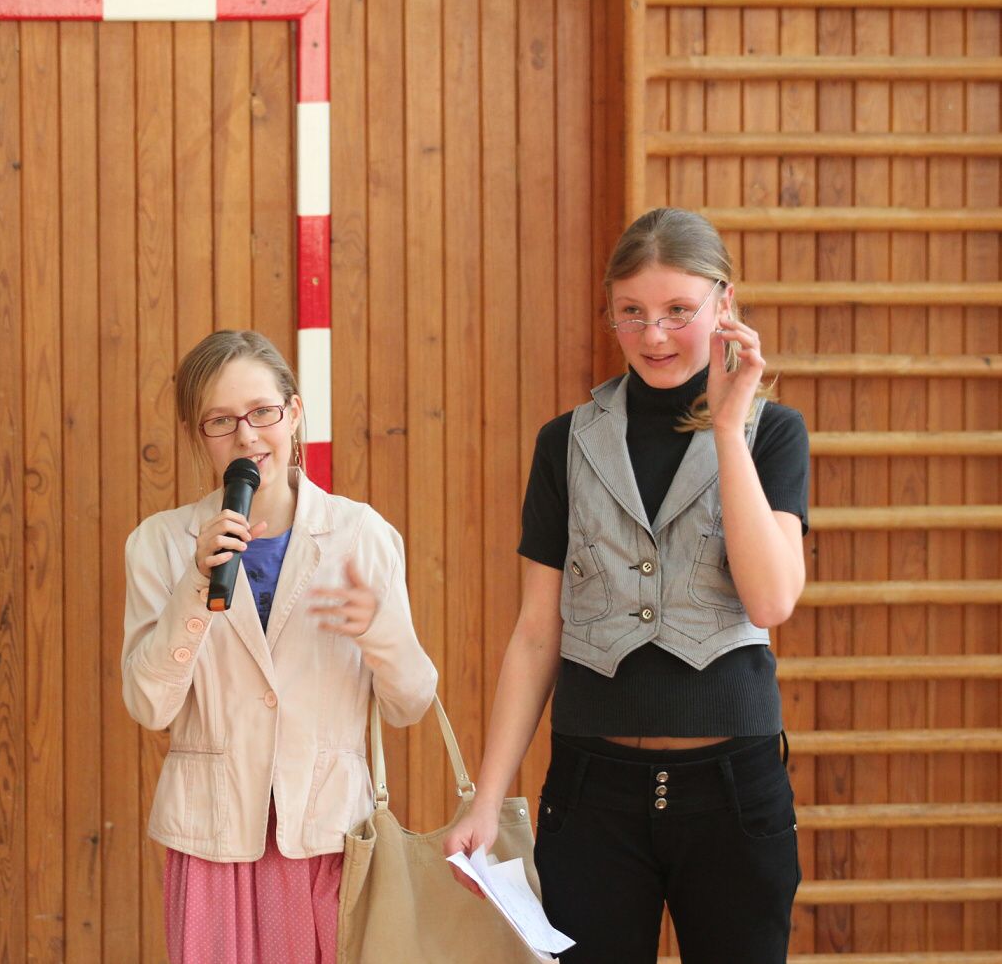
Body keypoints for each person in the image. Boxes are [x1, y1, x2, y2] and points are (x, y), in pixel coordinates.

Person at [444, 207, 809, 964]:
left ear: (725, 304)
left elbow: (771, 600)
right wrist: (486, 798)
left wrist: (727, 426)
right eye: (631, 312)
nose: (654, 335)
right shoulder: (564, 442)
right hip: (591, 794)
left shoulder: (772, 433)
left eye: (679, 310)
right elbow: (537, 633)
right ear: (609, 311)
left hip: (734, 790)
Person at [122, 329, 438, 963]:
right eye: (221, 421)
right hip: (211, 840)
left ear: (293, 412)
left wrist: (380, 630)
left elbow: (410, 705)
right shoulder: (159, 543)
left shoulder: (360, 534)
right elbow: (149, 706)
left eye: (262, 412)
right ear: (197, 435)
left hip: (328, 839)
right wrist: (194, 587)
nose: (246, 436)